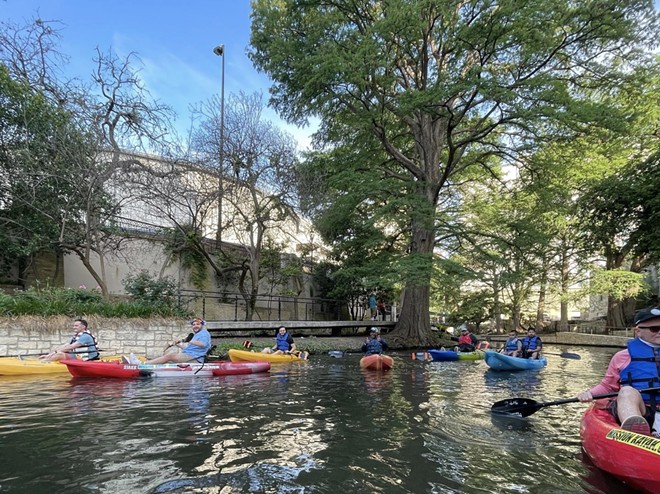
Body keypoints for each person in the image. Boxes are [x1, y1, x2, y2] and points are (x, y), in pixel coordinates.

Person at [577, 307, 660, 436]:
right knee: (626, 391)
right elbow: (607, 386)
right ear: (638, 331)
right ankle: (634, 431)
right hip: (642, 409)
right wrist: (588, 393)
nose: (659, 332)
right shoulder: (622, 356)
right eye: (654, 329)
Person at [144, 317, 211, 364]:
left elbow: (203, 344)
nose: (195, 326)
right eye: (193, 325)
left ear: (202, 325)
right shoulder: (197, 334)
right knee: (165, 359)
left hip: (196, 358)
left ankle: (144, 364)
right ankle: (151, 366)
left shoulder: (204, 333)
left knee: (170, 356)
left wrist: (189, 340)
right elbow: (191, 348)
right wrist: (179, 345)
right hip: (191, 355)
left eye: (198, 324)